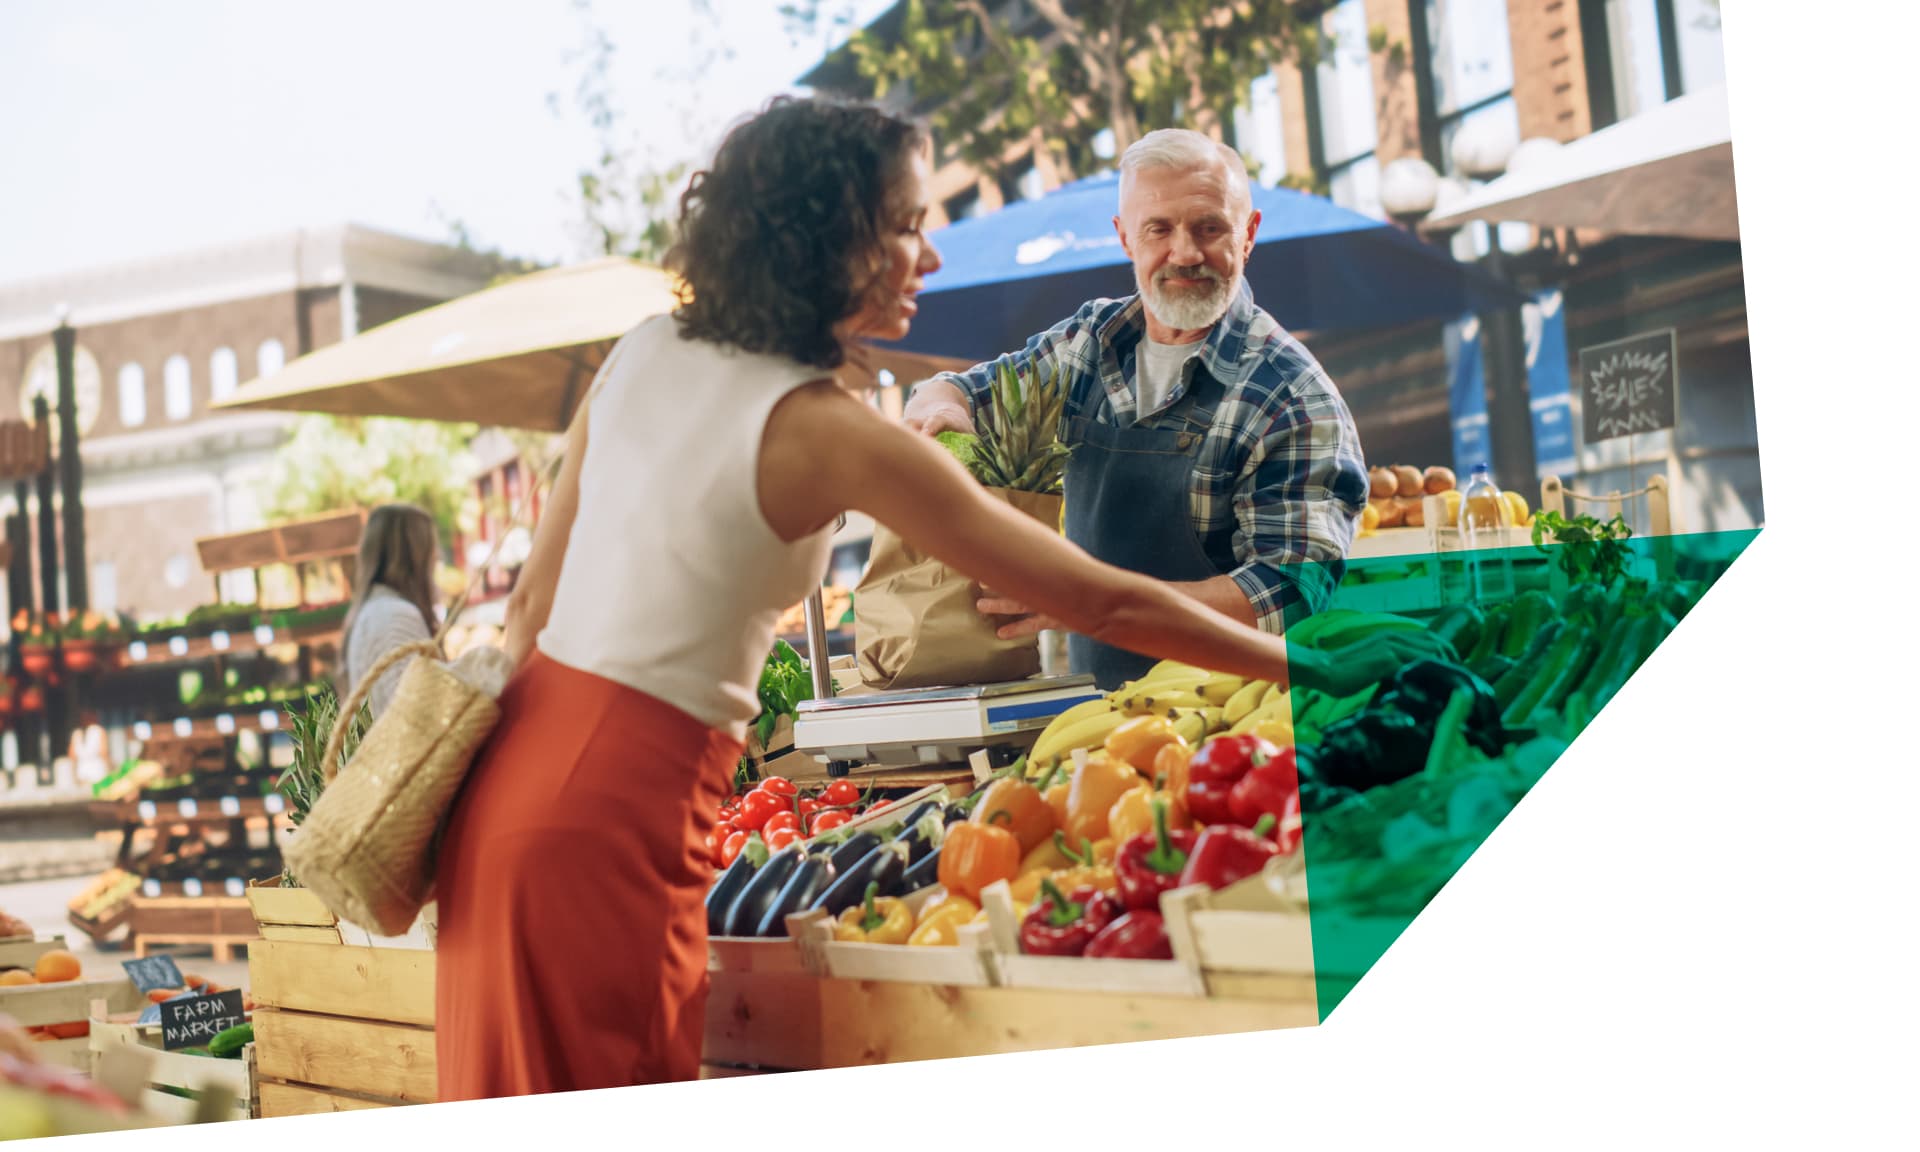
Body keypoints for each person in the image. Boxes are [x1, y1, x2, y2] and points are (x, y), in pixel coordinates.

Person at [433, 96, 1405, 1103]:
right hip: (614, 813)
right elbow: (1107, 607)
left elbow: (527, 610)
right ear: (828, 240)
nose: (929, 259)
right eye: (906, 227)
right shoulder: (827, 428)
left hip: (517, 781)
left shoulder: (641, 349)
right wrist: (1308, 665)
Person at [903, 128, 1402, 690]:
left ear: (1249, 235)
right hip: (1091, 710)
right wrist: (938, 406)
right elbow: (962, 389)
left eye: (1209, 228)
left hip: (1228, 721)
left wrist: (1091, 603)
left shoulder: (1293, 396)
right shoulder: (1091, 341)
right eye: (1159, 229)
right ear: (1125, 239)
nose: (1185, 253)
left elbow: (1289, 593)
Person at [339, 504, 440, 719]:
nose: (437, 556)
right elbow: (414, 716)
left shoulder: (374, 610)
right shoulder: (396, 616)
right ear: (415, 555)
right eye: (431, 549)